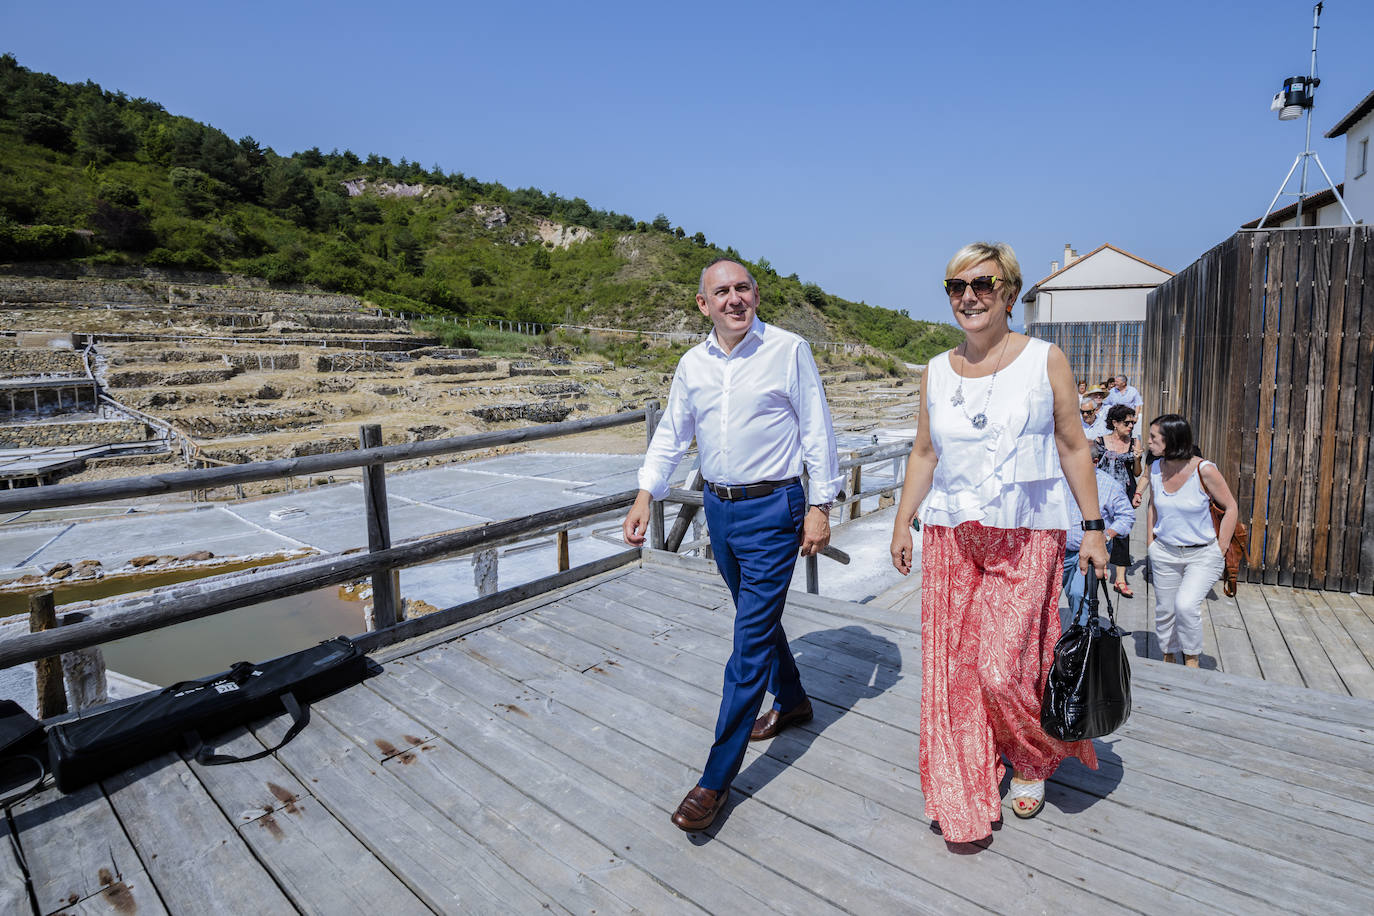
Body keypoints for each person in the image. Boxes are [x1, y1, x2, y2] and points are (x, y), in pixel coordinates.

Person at [889, 241, 1105, 845]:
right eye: (956, 287)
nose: (969, 297)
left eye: (982, 284)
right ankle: (965, 788)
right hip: (952, 532)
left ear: (1010, 291)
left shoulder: (1045, 359)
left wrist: (1092, 528)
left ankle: (1034, 755)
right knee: (954, 673)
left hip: (1026, 531)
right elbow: (925, 453)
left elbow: (1072, 446)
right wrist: (902, 520)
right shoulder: (935, 368)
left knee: (999, 667)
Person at [623, 257, 843, 832]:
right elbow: (673, 434)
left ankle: (714, 781)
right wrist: (647, 495)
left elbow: (817, 429)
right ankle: (793, 700)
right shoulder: (692, 364)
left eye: (742, 288)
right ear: (703, 304)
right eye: (721, 292)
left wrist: (821, 506)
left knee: (746, 647)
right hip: (718, 510)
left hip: (776, 508)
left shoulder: (788, 349)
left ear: (757, 295)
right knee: (756, 618)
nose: (733, 299)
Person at [1139, 414, 1238, 668]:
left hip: (1202, 554)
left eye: (1153, 437)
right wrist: (1150, 542)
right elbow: (1153, 506)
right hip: (1164, 551)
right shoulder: (1156, 467)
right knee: (1165, 610)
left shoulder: (1204, 469)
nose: (1148, 442)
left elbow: (1230, 508)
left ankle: (1191, 660)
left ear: (1171, 440)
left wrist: (1221, 548)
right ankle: (1169, 656)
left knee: (1185, 606)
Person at [1064, 468, 1135, 620]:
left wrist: (1105, 537)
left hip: (1089, 553)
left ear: (1095, 462)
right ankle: (1081, 623)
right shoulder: (1061, 477)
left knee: (1079, 593)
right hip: (1060, 551)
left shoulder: (1109, 485)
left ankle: (1082, 638)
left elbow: (1127, 516)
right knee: (1070, 593)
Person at [1092, 404, 1144, 598]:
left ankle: (1120, 579)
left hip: (1124, 491)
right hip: (1102, 491)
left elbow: (1137, 472)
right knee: (1101, 527)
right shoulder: (1100, 441)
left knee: (1122, 532)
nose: (1130, 426)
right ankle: (1102, 563)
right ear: (1114, 423)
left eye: (1132, 422)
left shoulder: (1134, 442)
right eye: (1126, 422)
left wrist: (1137, 458)